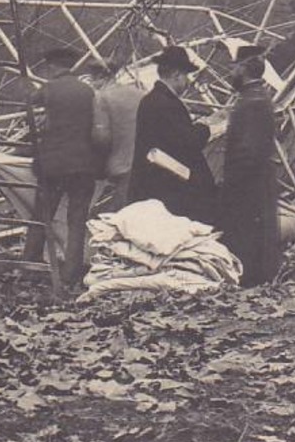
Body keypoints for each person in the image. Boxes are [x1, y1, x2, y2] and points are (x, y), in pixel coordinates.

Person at [22, 48, 109, 296]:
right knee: (77, 219)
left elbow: (29, 101)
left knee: (42, 215)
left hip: (53, 165)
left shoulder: (50, 89)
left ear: (52, 67)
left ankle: (30, 263)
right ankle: (71, 273)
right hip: (83, 165)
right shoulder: (88, 91)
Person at [127, 45, 217, 225]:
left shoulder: (152, 99)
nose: (188, 82)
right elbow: (189, 143)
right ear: (176, 74)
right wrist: (206, 126)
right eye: (186, 76)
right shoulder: (167, 104)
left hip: (154, 184)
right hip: (169, 187)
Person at [217, 44, 283, 287]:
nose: (230, 72)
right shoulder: (255, 98)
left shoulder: (251, 102)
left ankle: (250, 278)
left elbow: (248, 151)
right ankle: (252, 276)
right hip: (254, 179)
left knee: (247, 232)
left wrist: (232, 182)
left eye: (234, 66)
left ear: (244, 68)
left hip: (248, 182)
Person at [90, 62, 145, 211]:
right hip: (148, 160)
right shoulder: (139, 93)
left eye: (92, 79)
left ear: (101, 77)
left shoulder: (102, 98)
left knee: (121, 212)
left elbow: (101, 138)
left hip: (122, 164)